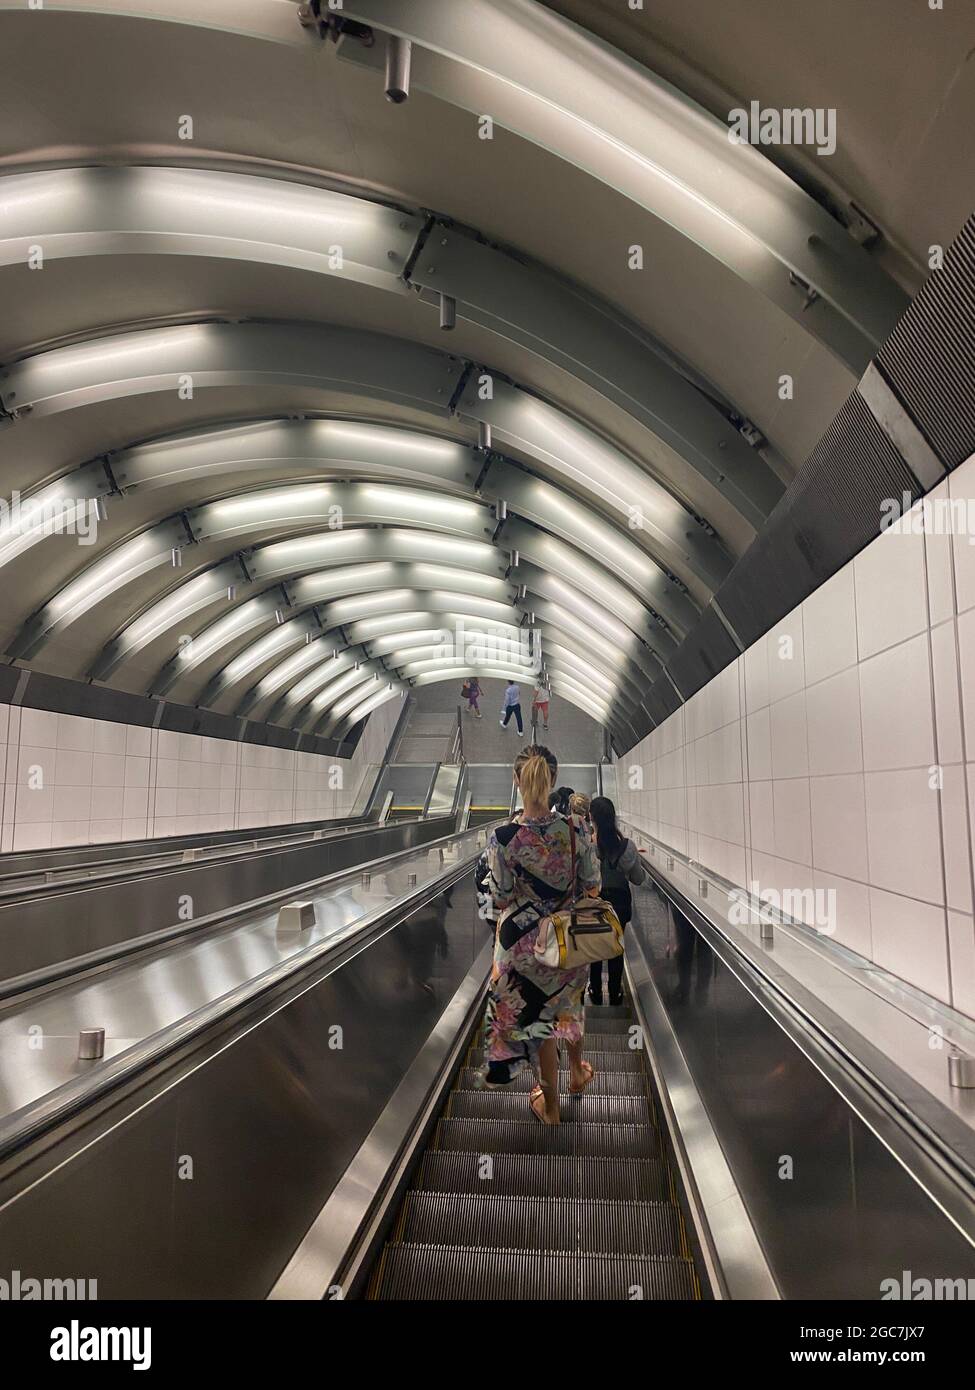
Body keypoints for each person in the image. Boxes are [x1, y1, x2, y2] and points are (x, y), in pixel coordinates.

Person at [484, 745, 600, 1123]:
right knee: (569, 1008)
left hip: (524, 951)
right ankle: (578, 1074)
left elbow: (501, 899)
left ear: (517, 780)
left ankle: (550, 1108)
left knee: (542, 1025)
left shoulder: (501, 838)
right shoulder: (577, 827)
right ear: (552, 780)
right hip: (567, 942)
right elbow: (592, 885)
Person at [587, 795, 646, 1005]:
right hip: (619, 907)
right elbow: (638, 879)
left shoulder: (587, 846)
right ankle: (614, 992)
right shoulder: (627, 847)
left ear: (591, 817)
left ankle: (594, 990)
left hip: (594, 905)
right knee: (616, 947)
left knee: (593, 946)